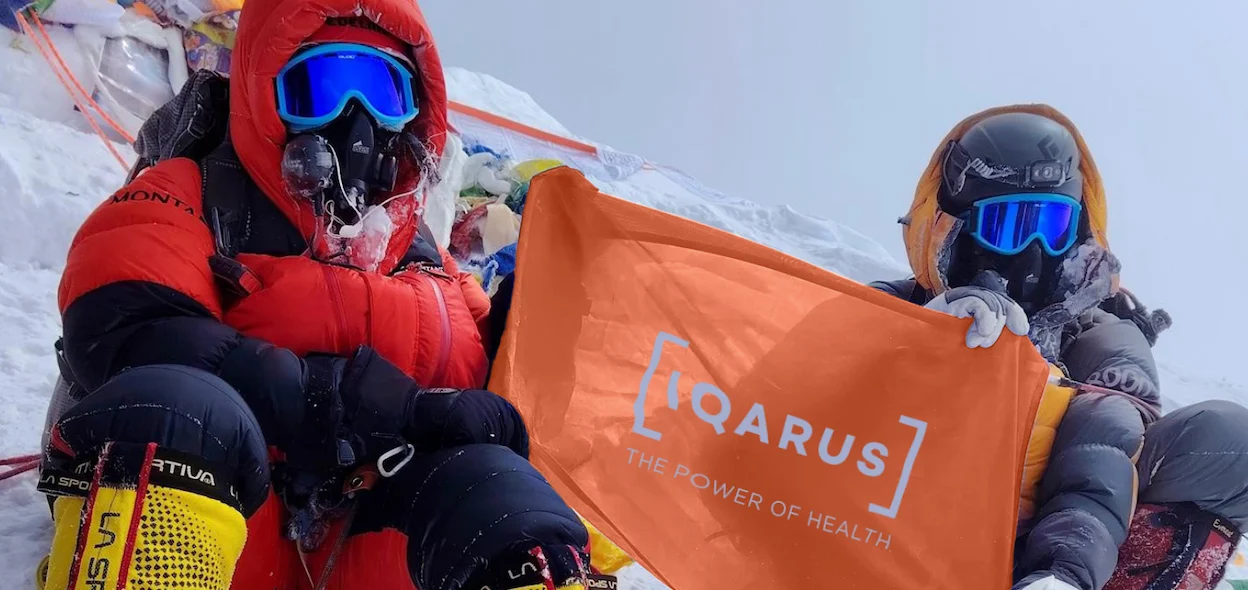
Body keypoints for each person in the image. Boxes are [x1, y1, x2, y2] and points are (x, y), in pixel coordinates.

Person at [34, 0, 601, 588]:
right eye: (322, 88)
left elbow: (482, 383)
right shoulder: (193, 191)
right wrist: (326, 399)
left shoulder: (423, 255)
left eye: (384, 92)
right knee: (175, 408)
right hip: (219, 532)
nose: (356, 119)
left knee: (506, 504)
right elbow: (131, 325)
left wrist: (519, 336)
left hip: (362, 540)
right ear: (265, 96)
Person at [872, 104, 1248, 590]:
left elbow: (1104, 442)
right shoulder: (895, 302)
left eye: (1051, 226)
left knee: (1226, 439)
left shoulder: (1102, 335)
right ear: (953, 231)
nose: (1032, 250)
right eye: (1006, 227)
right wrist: (917, 336)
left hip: (1036, 541)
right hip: (884, 508)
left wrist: (1066, 571)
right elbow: (804, 360)